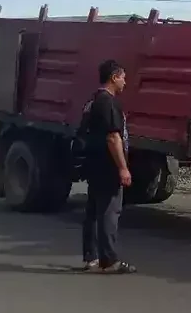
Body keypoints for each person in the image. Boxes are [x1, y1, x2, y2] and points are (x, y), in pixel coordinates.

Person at [79, 59, 136, 274]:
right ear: (114, 77)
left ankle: (91, 257)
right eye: (122, 78)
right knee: (109, 212)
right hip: (107, 166)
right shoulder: (108, 102)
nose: (124, 83)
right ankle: (109, 260)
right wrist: (122, 167)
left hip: (93, 164)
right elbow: (113, 138)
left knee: (93, 212)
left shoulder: (93, 101)